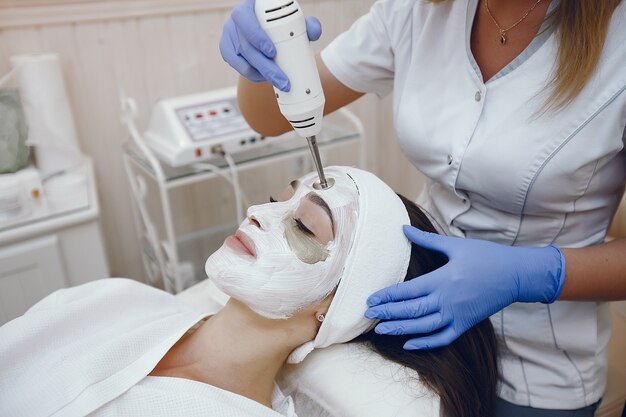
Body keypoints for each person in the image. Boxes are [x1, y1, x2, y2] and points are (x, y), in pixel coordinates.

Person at [219, 0, 626, 415]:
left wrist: (532, 275)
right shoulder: (415, 10)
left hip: (540, 366)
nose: (257, 213)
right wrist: (262, 60)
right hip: (407, 333)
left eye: (306, 225)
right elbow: (270, 115)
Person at [0, 167, 497, 417]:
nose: (259, 211)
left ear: (334, 307)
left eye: (303, 224)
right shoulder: (117, 298)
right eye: (279, 198)